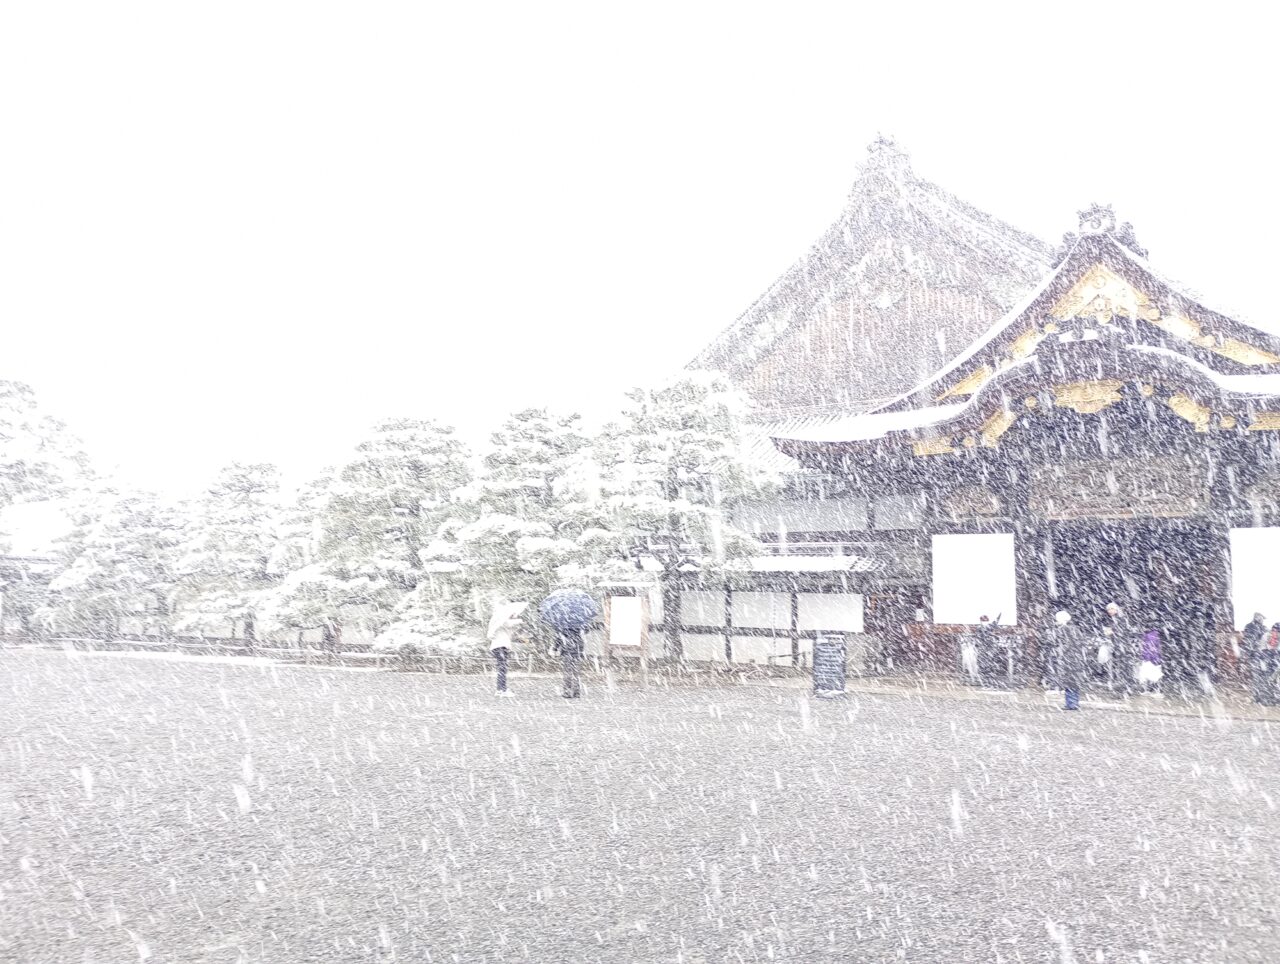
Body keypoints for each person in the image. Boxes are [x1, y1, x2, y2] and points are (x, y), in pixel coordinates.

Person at [486, 601, 526, 696]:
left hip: (501, 647)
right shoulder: (501, 621)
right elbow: (508, 624)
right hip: (499, 647)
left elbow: (510, 632)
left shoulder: (501, 623)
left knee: (502, 668)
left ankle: (500, 689)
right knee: (502, 668)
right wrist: (520, 620)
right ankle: (502, 690)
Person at [1050, 610, 1086, 710]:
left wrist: (1060, 651)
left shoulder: (1065, 629)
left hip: (1069, 658)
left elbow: (1066, 644)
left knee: (1070, 681)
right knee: (1073, 681)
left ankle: (1071, 703)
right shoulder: (1074, 628)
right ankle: (1073, 702)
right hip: (1075, 658)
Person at [1102, 602, 1134, 694]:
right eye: (1108, 609)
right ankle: (1118, 684)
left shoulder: (1122, 619)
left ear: (1116, 609)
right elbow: (1107, 633)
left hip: (1123, 646)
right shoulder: (1109, 620)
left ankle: (1127, 686)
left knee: (1126, 666)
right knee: (1115, 665)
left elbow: (1124, 632)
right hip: (1115, 646)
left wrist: (1113, 632)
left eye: (1111, 609)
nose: (1110, 611)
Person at [555, 626, 585, 699]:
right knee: (576, 673)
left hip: (567, 654)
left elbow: (558, 641)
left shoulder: (563, 631)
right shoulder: (578, 631)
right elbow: (581, 644)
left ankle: (567, 692)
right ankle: (577, 692)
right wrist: (581, 652)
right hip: (576, 654)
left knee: (567, 673)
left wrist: (555, 648)